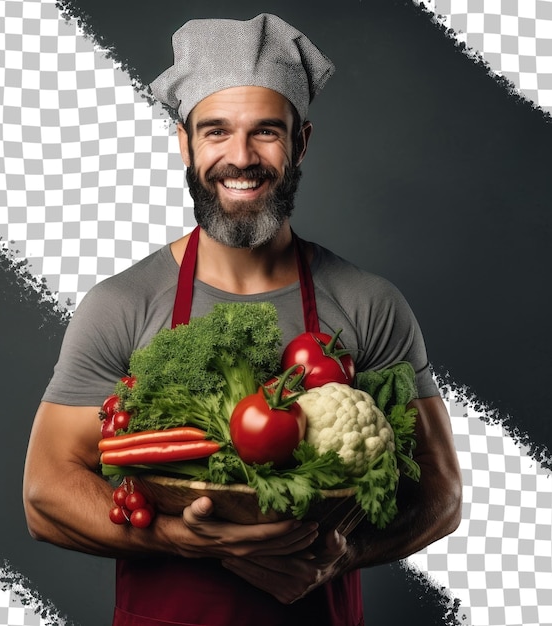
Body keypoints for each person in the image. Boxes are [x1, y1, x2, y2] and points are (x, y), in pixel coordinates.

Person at [23, 13, 462, 626]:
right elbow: (45, 496)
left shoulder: (367, 302)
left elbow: (440, 496)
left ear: (301, 142)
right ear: (185, 143)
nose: (240, 158)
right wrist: (174, 538)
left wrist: (341, 557)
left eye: (265, 133)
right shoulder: (122, 305)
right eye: (216, 132)